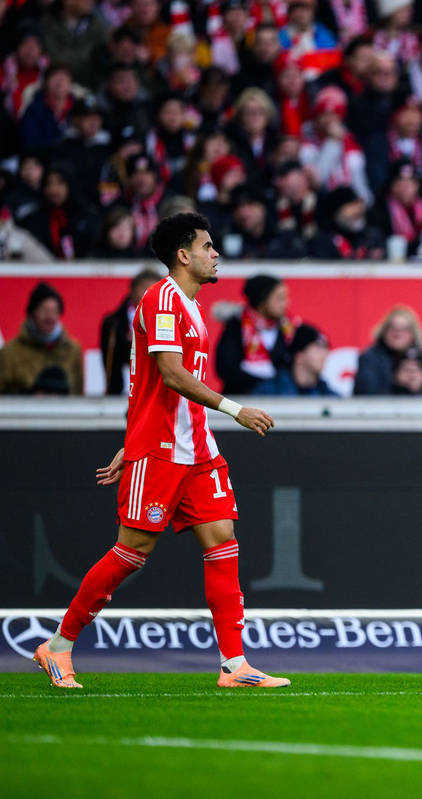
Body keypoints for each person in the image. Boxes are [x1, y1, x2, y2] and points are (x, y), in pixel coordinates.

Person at [33, 212, 288, 690]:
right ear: (183, 255)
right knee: (132, 551)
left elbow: (149, 385)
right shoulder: (161, 299)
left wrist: (133, 436)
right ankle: (58, 645)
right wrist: (234, 410)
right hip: (162, 450)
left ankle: (234, 665)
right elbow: (169, 375)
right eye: (208, 246)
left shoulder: (192, 306)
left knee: (222, 540)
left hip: (198, 449)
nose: (216, 254)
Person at [216, 274, 296, 395]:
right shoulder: (236, 327)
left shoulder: (289, 328)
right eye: (279, 298)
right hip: (241, 398)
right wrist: (265, 384)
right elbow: (226, 369)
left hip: (281, 399)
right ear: (262, 301)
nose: (286, 303)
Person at [0, 282, 85, 395]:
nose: (50, 317)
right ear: (32, 313)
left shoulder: (73, 351)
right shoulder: (9, 353)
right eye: (44, 310)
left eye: (54, 311)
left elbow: (78, 394)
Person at [100, 269, 162, 396]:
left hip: (155, 394)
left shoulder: (168, 321)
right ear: (132, 290)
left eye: (154, 289)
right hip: (120, 394)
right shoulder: (113, 323)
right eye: (144, 287)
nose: (149, 293)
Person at [353, 306, 422, 396]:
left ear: (413, 333)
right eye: (392, 327)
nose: (398, 333)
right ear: (384, 331)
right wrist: (398, 385)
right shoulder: (370, 359)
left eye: (404, 328)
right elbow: (364, 393)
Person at [253, 323, 336, 396]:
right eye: (318, 349)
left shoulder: (330, 397)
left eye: (325, 349)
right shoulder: (268, 393)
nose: (325, 355)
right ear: (299, 356)